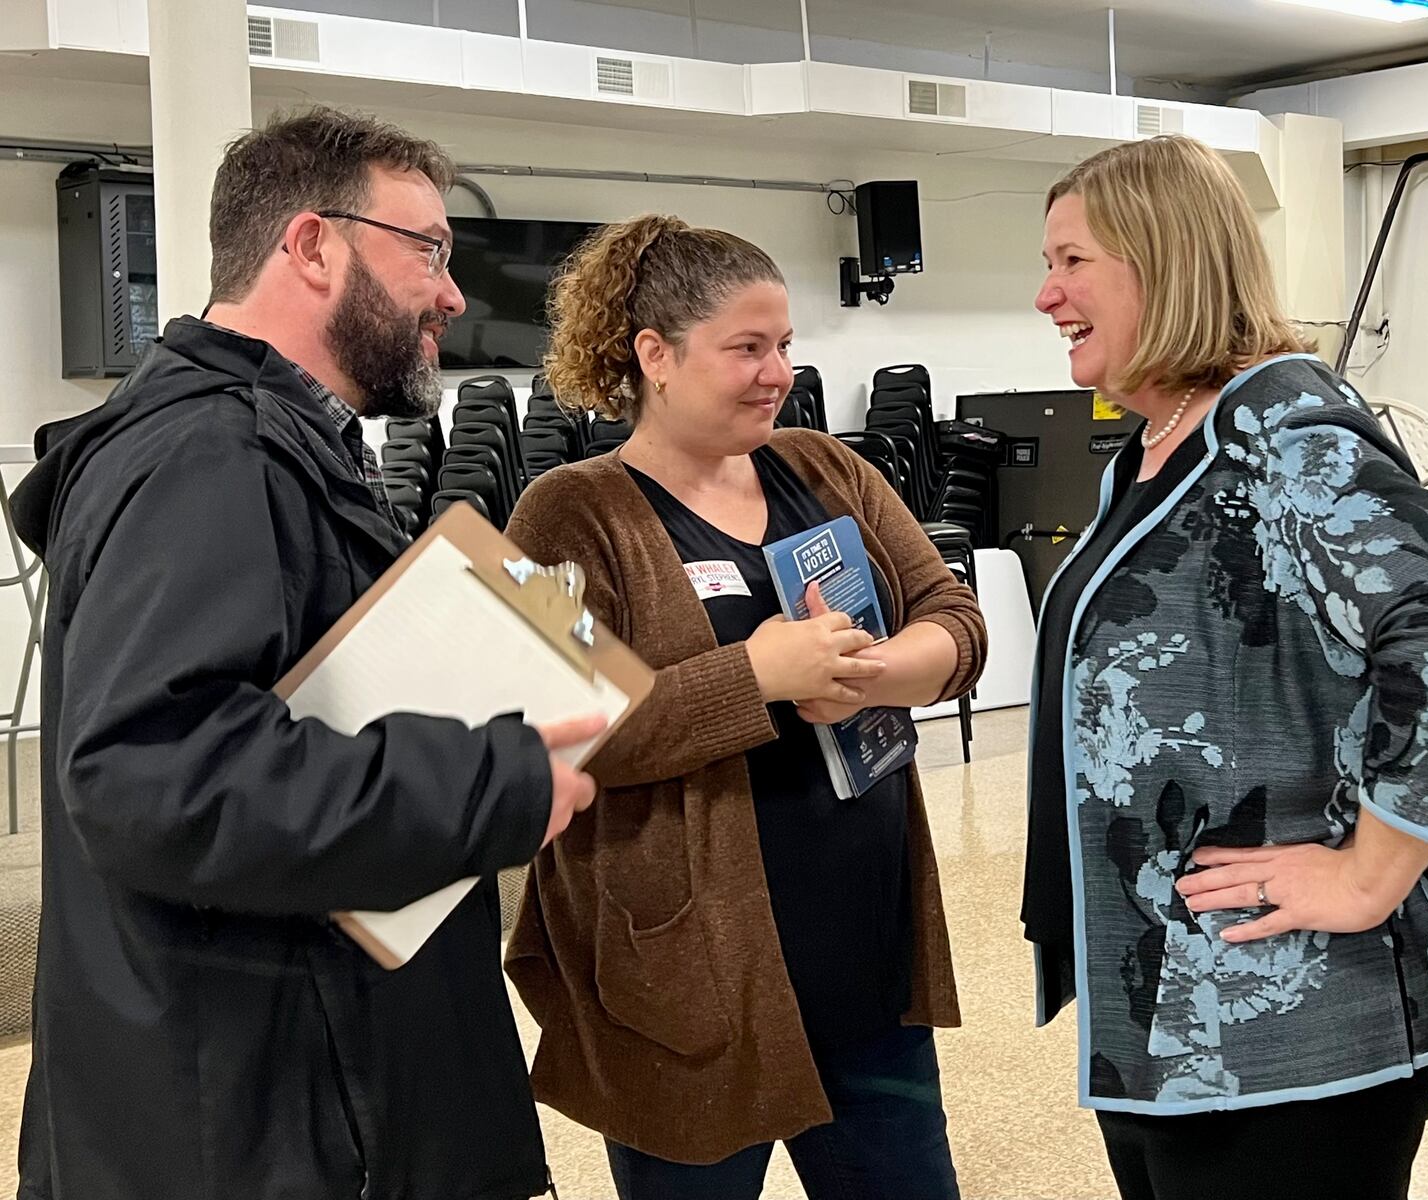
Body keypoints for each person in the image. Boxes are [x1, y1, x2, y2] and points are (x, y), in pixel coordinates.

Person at [11, 107, 600, 1200]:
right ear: (312, 244)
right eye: (427, 249)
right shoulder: (212, 450)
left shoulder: (258, 440)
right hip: (270, 1122)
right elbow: (157, 770)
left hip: (283, 1084)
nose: (454, 294)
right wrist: (493, 778)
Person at [1021, 134, 1428, 1200]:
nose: (1046, 295)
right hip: (1177, 1002)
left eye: (1072, 260)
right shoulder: (1163, 443)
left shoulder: (1283, 432)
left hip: (1291, 1021)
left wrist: (1367, 873)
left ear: (1161, 260)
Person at [503, 215, 987, 1200]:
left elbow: (952, 615)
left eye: (785, 347)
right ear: (657, 356)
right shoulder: (562, 513)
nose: (778, 373)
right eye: (747, 348)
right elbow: (562, 734)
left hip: (867, 964)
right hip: (687, 992)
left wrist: (880, 672)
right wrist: (758, 676)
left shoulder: (826, 469)